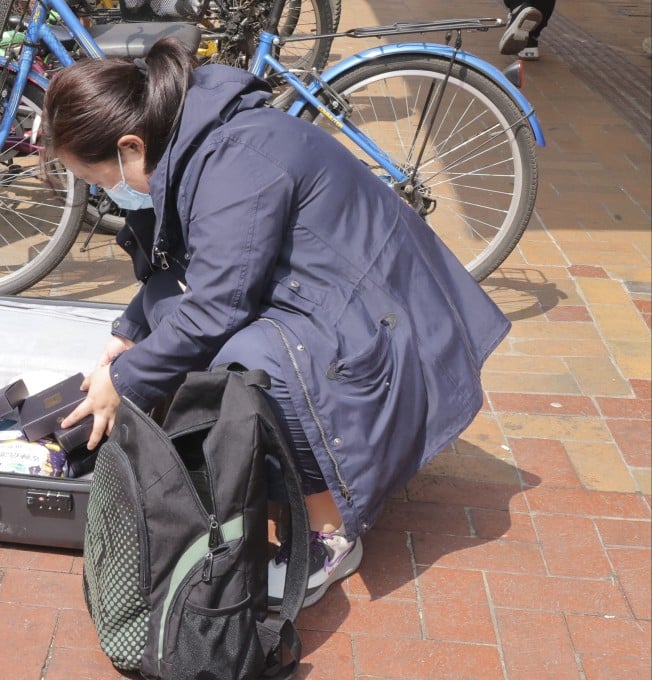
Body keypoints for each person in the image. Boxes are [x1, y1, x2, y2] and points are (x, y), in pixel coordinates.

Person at [46, 39, 510, 609]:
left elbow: (218, 303)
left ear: (130, 146)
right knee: (174, 321)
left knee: (255, 363)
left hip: (386, 323)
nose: (100, 192)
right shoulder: (191, 137)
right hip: (336, 297)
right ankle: (280, 465)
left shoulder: (236, 161)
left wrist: (128, 378)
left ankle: (329, 529)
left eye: (95, 178)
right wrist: (128, 335)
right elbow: (185, 272)